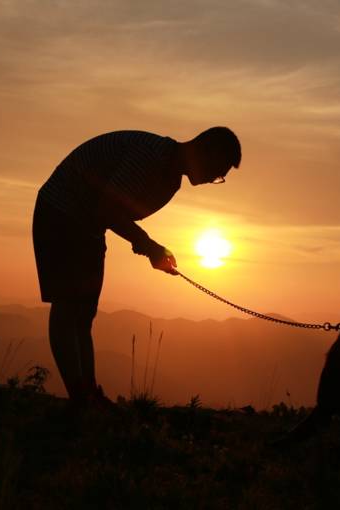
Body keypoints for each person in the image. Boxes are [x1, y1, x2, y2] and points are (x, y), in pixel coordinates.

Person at [32, 127, 241, 405]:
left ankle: (87, 395)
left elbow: (112, 213)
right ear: (204, 150)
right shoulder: (151, 157)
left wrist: (149, 248)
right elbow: (107, 209)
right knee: (68, 307)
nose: (215, 178)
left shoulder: (170, 179)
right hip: (61, 212)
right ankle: (81, 400)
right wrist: (149, 246)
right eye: (218, 170)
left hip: (89, 226)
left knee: (83, 313)